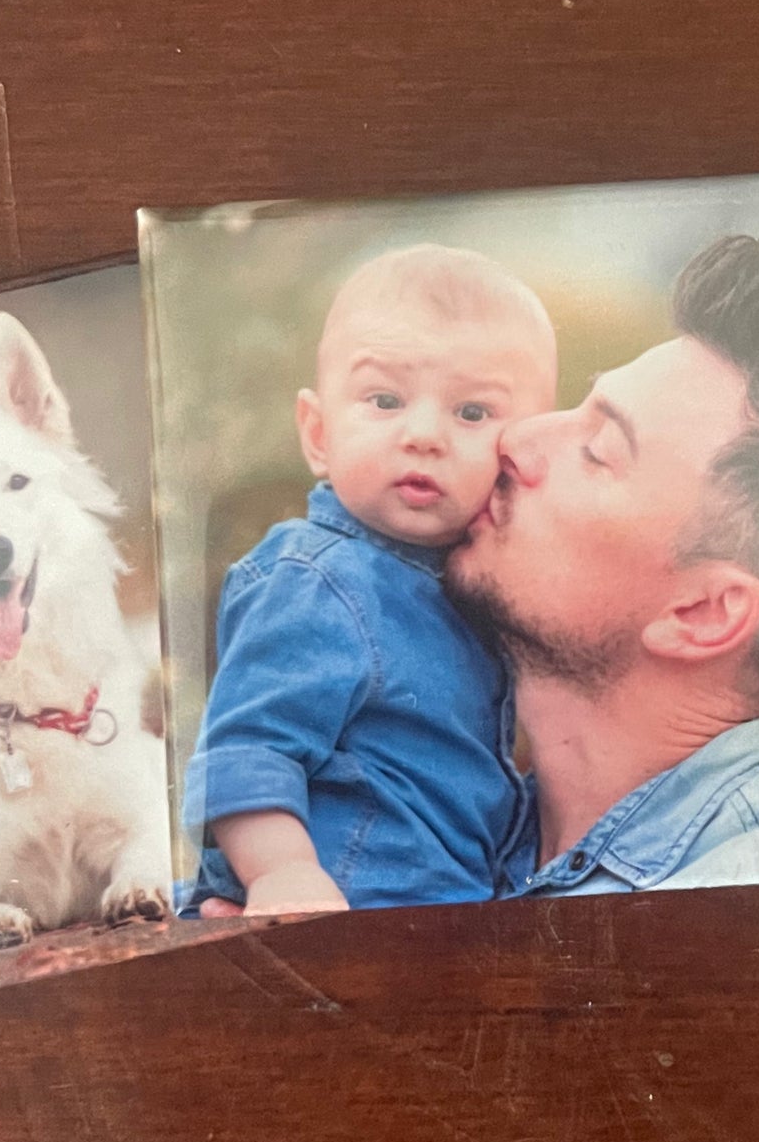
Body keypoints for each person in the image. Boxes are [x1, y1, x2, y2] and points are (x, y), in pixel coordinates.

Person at [443, 233, 759, 893]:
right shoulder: (448, 823)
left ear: (702, 613)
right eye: (579, 405)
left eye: (596, 448)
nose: (514, 438)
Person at [179, 244, 558, 916]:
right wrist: (282, 873)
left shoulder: (474, 585)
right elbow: (246, 750)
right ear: (319, 434)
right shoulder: (315, 577)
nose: (423, 435)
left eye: (471, 413)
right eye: (384, 399)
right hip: (340, 909)